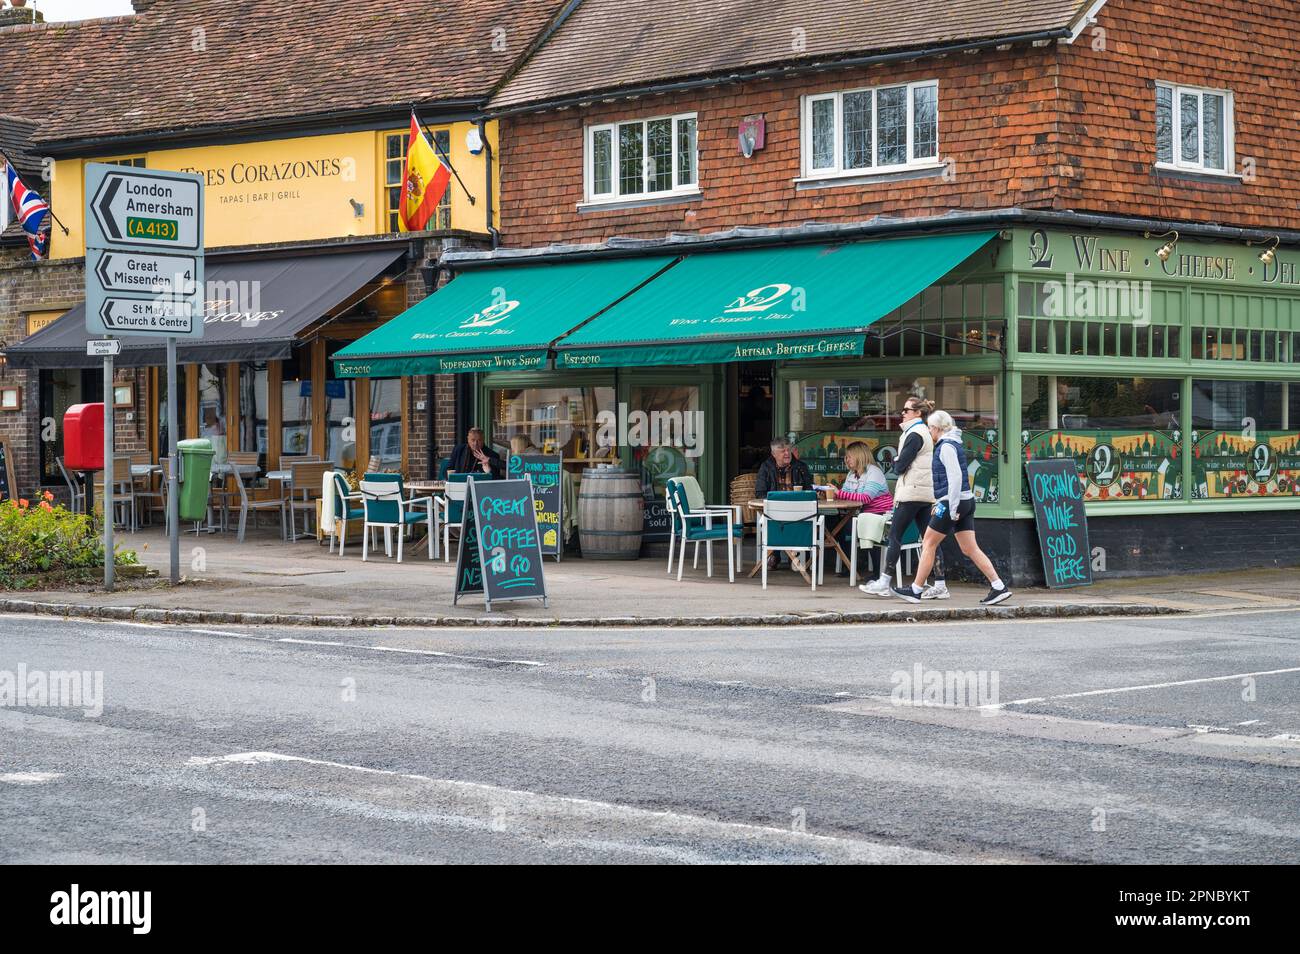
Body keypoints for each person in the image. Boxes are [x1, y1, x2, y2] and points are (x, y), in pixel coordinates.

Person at [892, 409, 1012, 606]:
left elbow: (955, 478)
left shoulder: (946, 446)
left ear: (938, 428)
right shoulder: (953, 444)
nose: (929, 431)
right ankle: (998, 586)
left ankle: (915, 590)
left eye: (930, 427)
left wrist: (950, 506)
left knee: (928, 543)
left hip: (952, 502)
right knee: (970, 548)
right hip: (964, 501)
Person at [860, 398, 948, 599]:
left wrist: (897, 461)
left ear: (917, 413)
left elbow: (899, 467)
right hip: (926, 493)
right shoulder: (923, 431)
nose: (902, 413)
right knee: (930, 540)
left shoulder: (914, 434)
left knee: (894, 536)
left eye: (906, 410)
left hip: (911, 492)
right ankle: (941, 584)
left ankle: (884, 582)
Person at [834, 442, 893, 577]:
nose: (846, 460)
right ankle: (850, 566)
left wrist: (838, 493)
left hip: (881, 514)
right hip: (863, 514)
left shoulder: (874, 472)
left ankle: (878, 572)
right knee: (838, 527)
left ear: (859, 456)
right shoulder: (851, 474)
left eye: (849, 456)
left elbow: (865, 498)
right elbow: (845, 493)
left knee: (869, 525)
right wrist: (832, 493)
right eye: (846, 457)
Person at [754, 437, 814, 570]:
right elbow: (760, 493)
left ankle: (801, 555)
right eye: (782, 451)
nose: (787, 453)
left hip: (799, 512)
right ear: (774, 454)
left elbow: (809, 490)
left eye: (788, 450)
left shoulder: (801, 467)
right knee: (772, 519)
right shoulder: (766, 468)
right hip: (775, 512)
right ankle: (775, 554)